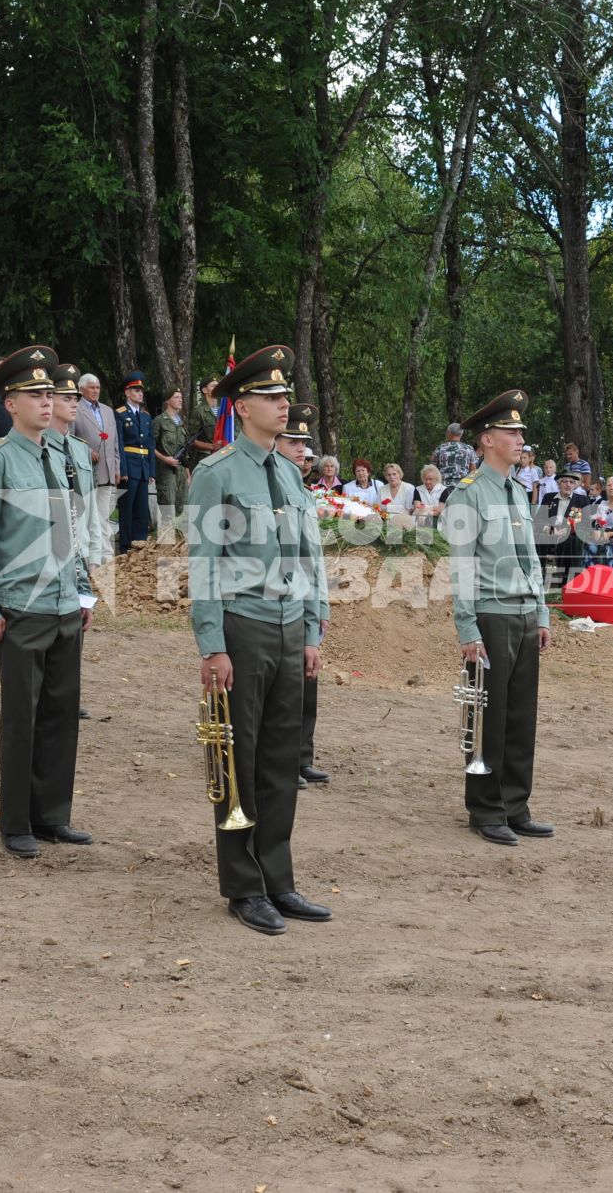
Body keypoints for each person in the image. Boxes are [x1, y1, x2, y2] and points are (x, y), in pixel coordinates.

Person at [187, 345, 330, 934]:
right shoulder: (217, 474)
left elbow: (311, 559)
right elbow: (204, 565)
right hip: (242, 630)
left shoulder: (291, 477)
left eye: (283, 397)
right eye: (270, 398)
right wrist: (212, 645)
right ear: (242, 406)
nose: (282, 405)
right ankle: (243, 887)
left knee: (279, 759)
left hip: (289, 627)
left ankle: (278, 878)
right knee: (237, 760)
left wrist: (313, 628)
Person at [0, 346, 98, 857]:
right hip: (20, 606)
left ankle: (52, 815)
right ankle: (16, 821)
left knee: (61, 715)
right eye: (36, 395)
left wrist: (83, 591)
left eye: (50, 394)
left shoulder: (61, 456)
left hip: (64, 603)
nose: (47, 402)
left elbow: (72, 532)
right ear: (10, 403)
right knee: (22, 716)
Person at [445, 390, 551, 846]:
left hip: (524, 615)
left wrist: (543, 612)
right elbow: (462, 567)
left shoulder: (517, 492)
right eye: (511, 431)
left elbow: (531, 558)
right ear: (487, 440)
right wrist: (467, 628)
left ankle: (515, 804)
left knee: (521, 718)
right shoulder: (467, 496)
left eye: (521, 432)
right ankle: (486, 809)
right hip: (490, 616)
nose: (519, 438)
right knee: (489, 717)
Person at [279, 401, 332, 787]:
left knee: (306, 683)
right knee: (285, 686)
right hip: (281, 599)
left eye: (305, 443)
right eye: (293, 441)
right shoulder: (276, 486)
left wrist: (322, 604)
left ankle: (301, 756)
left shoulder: (303, 491)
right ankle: (283, 760)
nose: (302, 449)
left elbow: (314, 556)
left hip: (306, 599)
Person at [47, 364, 109, 574]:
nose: (74, 404)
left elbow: (90, 505)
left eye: (75, 399)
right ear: (49, 401)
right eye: (66, 399)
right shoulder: (40, 446)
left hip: (81, 552)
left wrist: (94, 555)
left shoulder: (80, 449)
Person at [72, 373, 121, 550]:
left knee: (104, 516)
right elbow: (69, 438)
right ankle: (88, 555)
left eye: (98, 387)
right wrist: (86, 451)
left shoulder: (107, 410)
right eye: (91, 387)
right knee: (86, 517)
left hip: (107, 471)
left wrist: (117, 467)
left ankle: (106, 555)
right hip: (87, 471)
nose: (95, 391)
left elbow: (115, 442)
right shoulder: (74, 408)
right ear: (81, 389)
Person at [113, 371, 154, 551]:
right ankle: (125, 547)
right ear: (127, 393)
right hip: (129, 467)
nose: (140, 393)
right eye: (135, 390)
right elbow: (119, 444)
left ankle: (140, 545)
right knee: (127, 509)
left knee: (142, 510)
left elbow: (150, 445)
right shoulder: (120, 414)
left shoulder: (146, 416)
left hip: (143, 467)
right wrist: (123, 470)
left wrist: (151, 471)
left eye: (141, 390)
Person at [535, 468, 588, 584]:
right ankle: (538, 575)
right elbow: (538, 520)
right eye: (564, 481)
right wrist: (547, 528)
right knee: (537, 537)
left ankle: (568, 579)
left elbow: (584, 522)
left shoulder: (581, 500)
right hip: (550, 533)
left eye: (571, 482)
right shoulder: (549, 498)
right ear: (558, 484)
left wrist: (568, 530)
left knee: (572, 540)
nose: (568, 485)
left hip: (569, 534)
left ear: (575, 485)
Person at [153, 388, 189, 530]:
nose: (180, 399)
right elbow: (151, 446)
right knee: (168, 507)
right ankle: (167, 543)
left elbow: (185, 448)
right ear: (167, 400)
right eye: (176, 397)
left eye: (181, 397)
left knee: (182, 506)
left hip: (180, 470)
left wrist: (187, 471)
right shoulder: (159, 421)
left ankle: (180, 546)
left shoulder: (180, 422)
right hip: (166, 470)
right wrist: (164, 458)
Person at [414, 463, 452, 528]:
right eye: (426, 479)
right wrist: (434, 508)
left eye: (430, 479)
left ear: (436, 479)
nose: (427, 482)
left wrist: (426, 512)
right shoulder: (418, 489)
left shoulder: (443, 490)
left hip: (438, 520)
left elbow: (441, 510)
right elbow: (417, 507)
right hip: (421, 520)